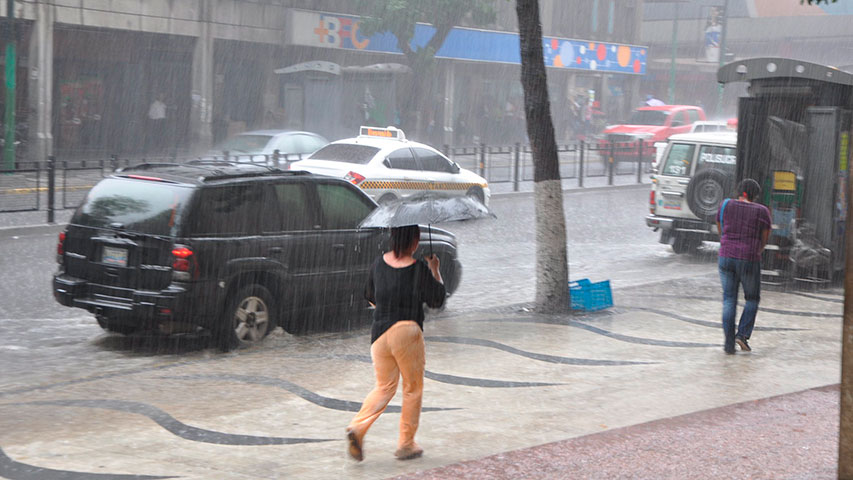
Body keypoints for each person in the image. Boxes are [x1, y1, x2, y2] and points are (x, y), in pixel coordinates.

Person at [346, 225, 446, 462]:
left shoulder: (378, 264)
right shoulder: (418, 268)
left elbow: (370, 297)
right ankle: (406, 443)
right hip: (406, 331)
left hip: (379, 334)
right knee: (412, 388)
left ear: (393, 239)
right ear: (415, 241)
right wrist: (435, 269)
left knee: (384, 386)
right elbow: (437, 300)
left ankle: (357, 428)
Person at [716, 178, 772, 354]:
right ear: (755, 195)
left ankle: (728, 343)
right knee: (752, 299)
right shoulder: (762, 211)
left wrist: (728, 243)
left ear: (738, 191)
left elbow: (720, 227)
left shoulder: (725, 205)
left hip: (725, 257)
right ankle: (742, 335)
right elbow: (765, 236)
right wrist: (757, 249)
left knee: (729, 299)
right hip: (749, 258)